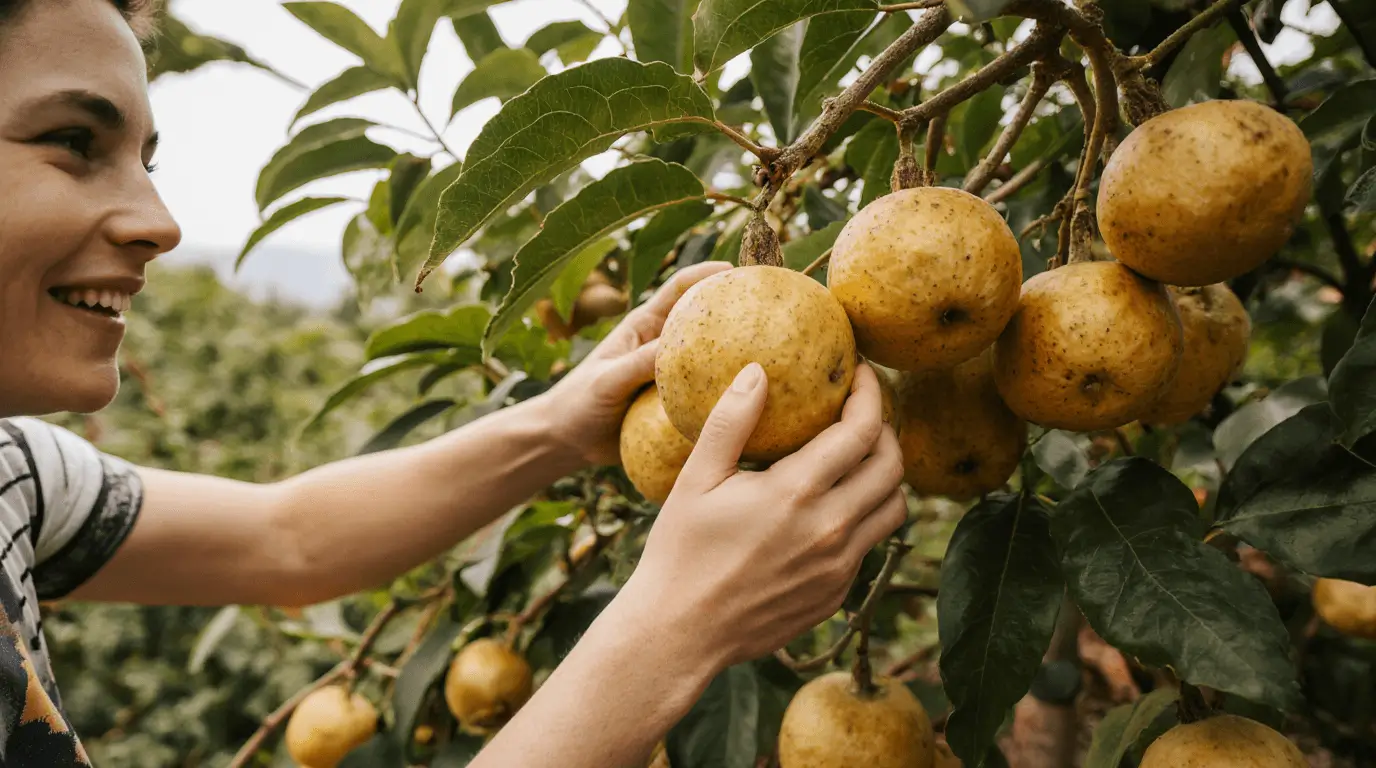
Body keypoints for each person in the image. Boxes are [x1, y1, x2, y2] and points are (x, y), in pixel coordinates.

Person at [0, 0, 908, 765]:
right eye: (72, 141)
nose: (159, 221)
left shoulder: (14, 480)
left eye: (147, 161)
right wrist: (679, 627)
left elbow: (290, 541)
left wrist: (558, 426)